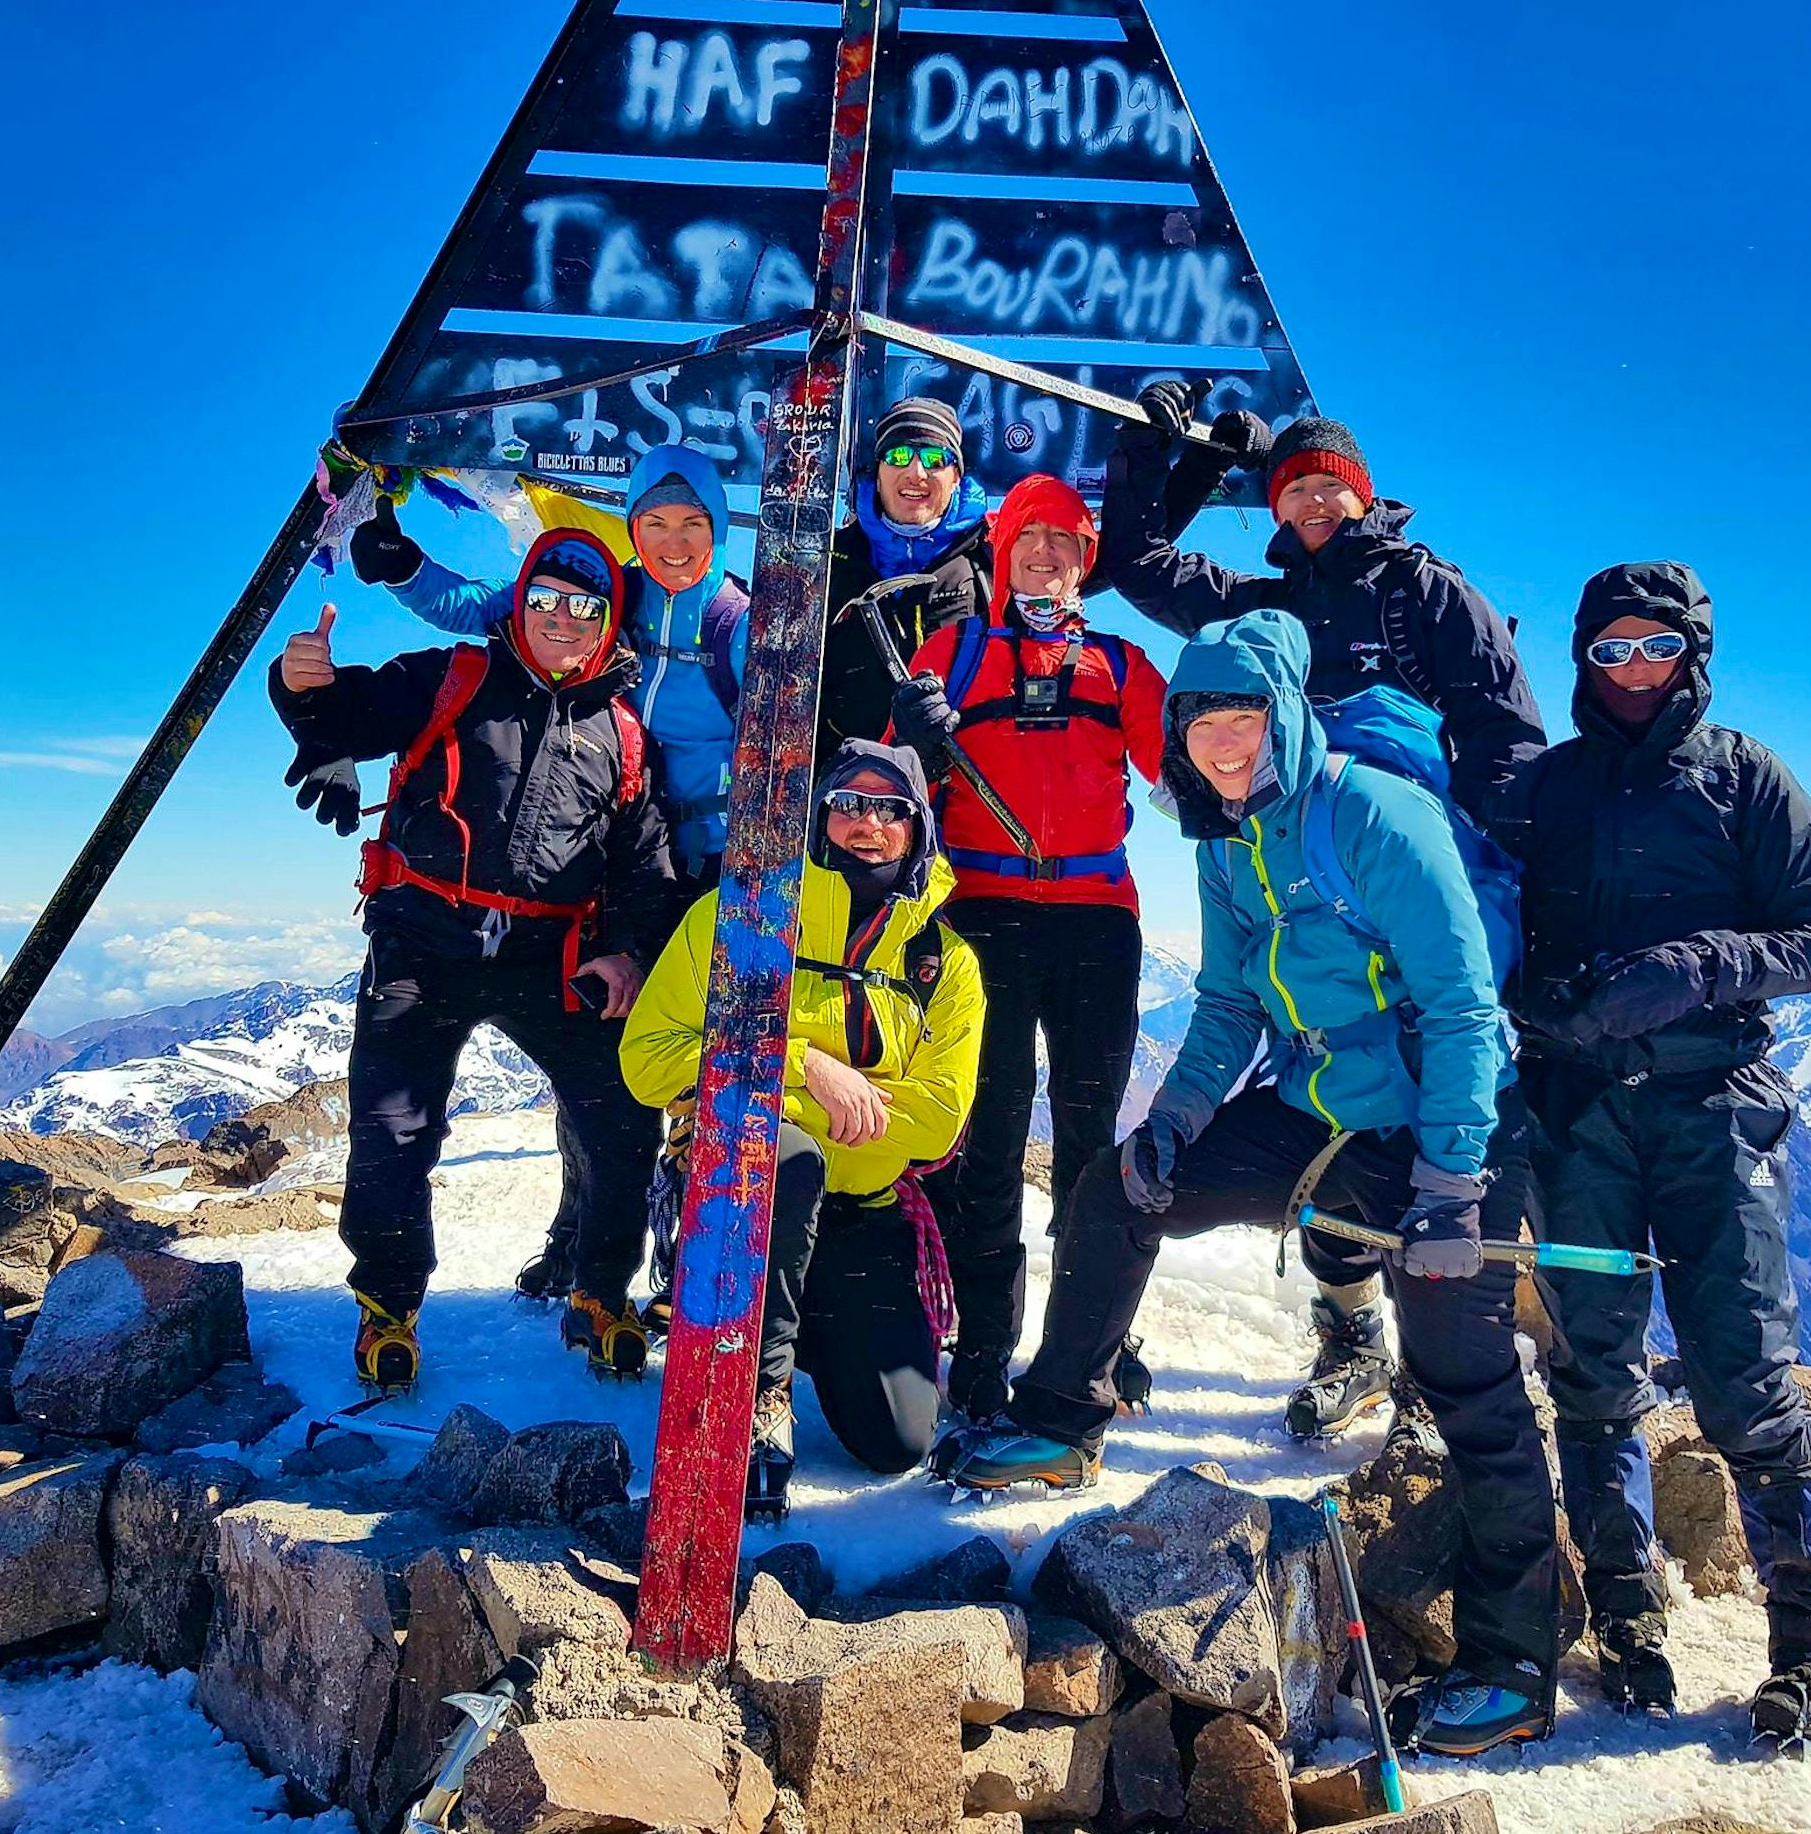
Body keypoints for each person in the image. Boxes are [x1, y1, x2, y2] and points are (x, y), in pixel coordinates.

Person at [936, 608, 1561, 1758]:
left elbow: (1469, 1007)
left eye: (1243, 715)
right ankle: (1064, 1417)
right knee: (1121, 1193)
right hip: (1318, 1108)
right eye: (1200, 719)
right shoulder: (1224, 840)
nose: (1223, 740)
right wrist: (1174, 1122)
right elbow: (1227, 1006)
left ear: (1286, 713)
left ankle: (1514, 1659)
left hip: (1440, 1123)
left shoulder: (1378, 813)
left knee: (1465, 1372)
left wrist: (1452, 1183)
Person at [1098, 397, 1547, 1438]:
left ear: (1363, 489)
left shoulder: (1423, 588)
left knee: (1427, 1099)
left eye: (1326, 481)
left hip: (1408, 878)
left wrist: (1489, 873)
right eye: (1290, 484)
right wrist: (1172, 454)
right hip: (1300, 886)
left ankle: (1452, 1370)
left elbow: (1506, 730)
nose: (1308, 498)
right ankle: (1353, 1338)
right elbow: (1139, 560)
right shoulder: (1264, 605)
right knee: (1324, 1100)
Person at [1503, 561, 1811, 1745]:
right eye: (1611, 649)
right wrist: (1543, 1001)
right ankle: (1629, 1617)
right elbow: (1496, 929)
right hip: (1581, 1114)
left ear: (1692, 653)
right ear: (1584, 659)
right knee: (1595, 1376)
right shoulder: (1547, 789)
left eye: (1655, 648)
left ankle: (1809, 1642)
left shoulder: (1749, 778)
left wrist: (1697, 969)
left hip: (1715, 1110)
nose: (1634, 670)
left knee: (1747, 1379)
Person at [270, 529, 679, 1389]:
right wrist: (300, 685)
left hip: (551, 955)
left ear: (609, 624)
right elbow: (348, 713)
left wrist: (630, 956)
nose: (562, 620)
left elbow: (645, 868)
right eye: (545, 601)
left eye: (584, 607)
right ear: (519, 603)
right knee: (391, 1129)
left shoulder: (625, 736)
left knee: (621, 1116)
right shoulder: (450, 679)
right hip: (423, 942)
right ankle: (388, 1304)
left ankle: (600, 1292)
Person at [342, 447, 746, 1308]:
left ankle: (684, 1262)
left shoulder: (734, 621)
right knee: (608, 1076)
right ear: (633, 526)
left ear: (718, 527)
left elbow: (787, 721)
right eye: (655, 523)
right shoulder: (613, 593)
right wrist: (408, 569)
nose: (673, 541)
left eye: (693, 524)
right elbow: (497, 609)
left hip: (707, 864)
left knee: (681, 1073)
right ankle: (577, 1245)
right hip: (610, 857)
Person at [620, 740, 985, 1514]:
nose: (867, 823)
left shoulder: (943, 964)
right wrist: (805, 1068)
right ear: (819, 819)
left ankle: (790, 1320)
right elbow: (648, 1061)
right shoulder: (741, 918)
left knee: (897, 1441)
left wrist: (752, 1075)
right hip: (744, 1190)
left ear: (918, 830)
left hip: (860, 1215)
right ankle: (759, 1389)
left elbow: (934, 1121)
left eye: (891, 809)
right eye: (848, 803)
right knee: (786, 1156)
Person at [889, 473, 1165, 1425]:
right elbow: (888, 800)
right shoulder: (955, 650)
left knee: (1092, 1147)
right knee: (992, 1139)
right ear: (1000, 557)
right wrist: (918, 743)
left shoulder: (1121, 666)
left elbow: (1187, 782)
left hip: (1098, 924)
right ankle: (983, 1345)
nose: (1045, 555)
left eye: (1064, 541)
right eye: (1026, 540)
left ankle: (1092, 1339)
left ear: (1087, 561)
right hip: (981, 919)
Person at [819, 396, 994, 757]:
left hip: (959, 782)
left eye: (934, 459)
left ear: (956, 476)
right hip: (850, 787)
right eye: (898, 456)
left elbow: (1096, 561)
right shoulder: (829, 560)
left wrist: (1138, 456)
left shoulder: (992, 555)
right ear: (878, 471)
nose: (916, 472)